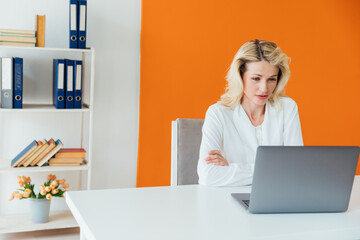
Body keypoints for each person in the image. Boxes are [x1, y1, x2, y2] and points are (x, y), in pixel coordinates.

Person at [197, 39, 303, 186]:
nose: (264, 88)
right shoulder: (218, 113)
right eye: (256, 79)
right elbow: (208, 176)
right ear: (240, 76)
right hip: (227, 201)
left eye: (271, 79)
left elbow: (297, 170)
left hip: (276, 199)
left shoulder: (287, 108)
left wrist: (231, 169)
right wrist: (275, 170)